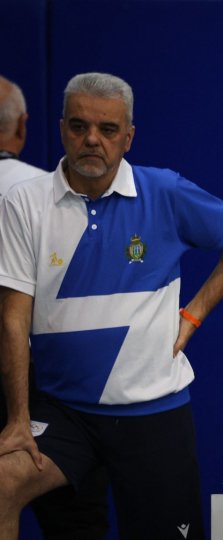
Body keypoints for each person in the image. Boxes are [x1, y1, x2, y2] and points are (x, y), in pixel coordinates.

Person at [0, 72, 223, 539]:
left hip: (154, 414)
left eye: (107, 130)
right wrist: (18, 419)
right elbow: (13, 317)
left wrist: (194, 314)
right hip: (64, 413)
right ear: (61, 128)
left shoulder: (163, 191)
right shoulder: (24, 202)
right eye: (79, 126)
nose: (91, 140)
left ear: (128, 137)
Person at [0, 74, 113, 540]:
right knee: (73, 521)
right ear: (25, 127)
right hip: (50, 384)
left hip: (41, 386)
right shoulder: (47, 195)